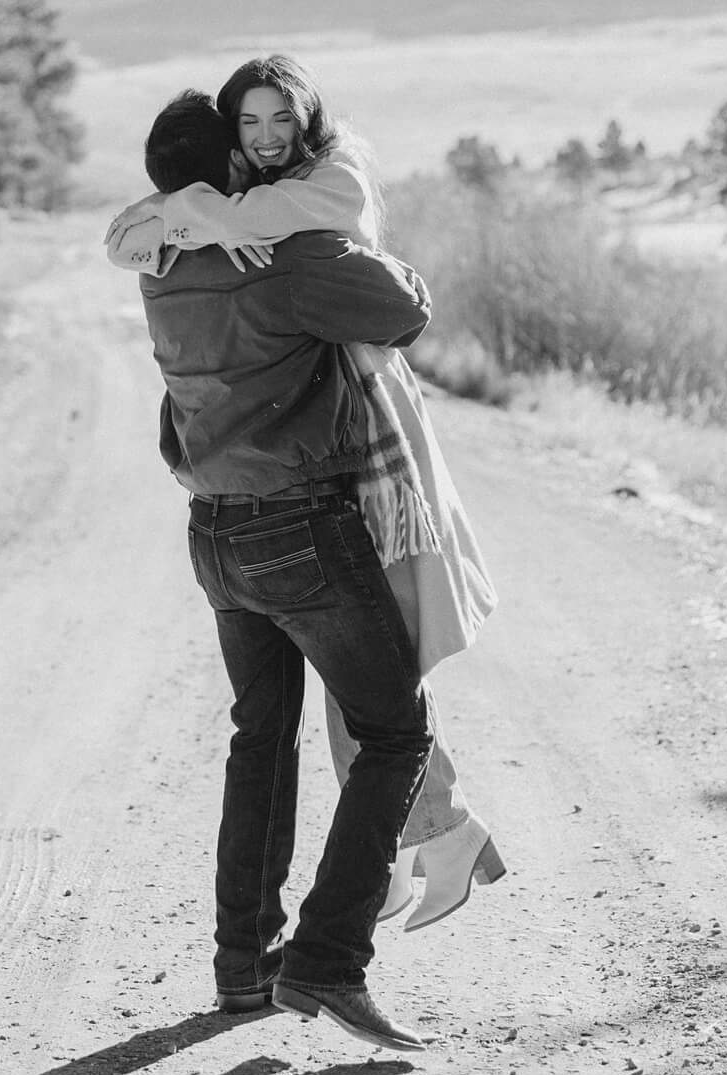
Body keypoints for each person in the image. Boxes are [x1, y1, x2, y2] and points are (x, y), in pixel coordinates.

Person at [108, 55, 505, 931]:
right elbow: (403, 309)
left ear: (305, 118)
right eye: (247, 127)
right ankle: (432, 842)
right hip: (318, 487)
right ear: (230, 147)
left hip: (271, 495)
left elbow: (131, 233)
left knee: (301, 716)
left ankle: (263, 946)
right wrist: (225, 220)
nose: (266, 138)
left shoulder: (181, 254)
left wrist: (203, 213)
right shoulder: (267, 248)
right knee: (374, 688)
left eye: (277, 120)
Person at [133, 89, 439, 1053]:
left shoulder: (161, 260)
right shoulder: (288, 256)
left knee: (260, 739)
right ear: (229, 172)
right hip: (303, 526)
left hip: (214, 533)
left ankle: (243, 967)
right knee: (394, 735)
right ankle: (327, 961)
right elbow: (404, 312)